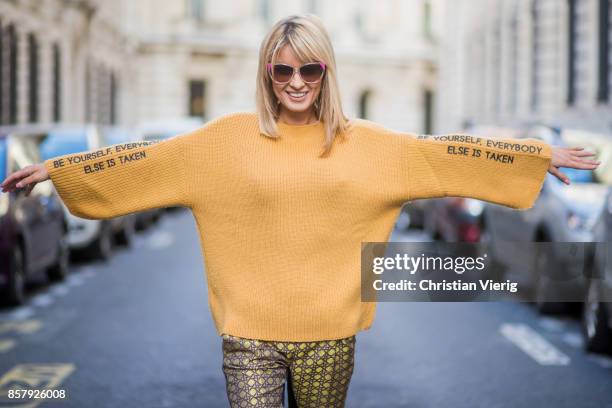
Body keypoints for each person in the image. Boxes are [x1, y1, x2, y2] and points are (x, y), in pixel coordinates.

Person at [1, 14, 600, 408]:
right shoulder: (226, 138)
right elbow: (149, 160)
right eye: (282, 69)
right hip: (248, 335)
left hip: (329, 335)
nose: (295, 81)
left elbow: (444, 155)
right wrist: (60, 167)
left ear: (325, 73)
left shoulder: (368, 143)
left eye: (308, 69)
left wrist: (532, 156)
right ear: (267, 73)